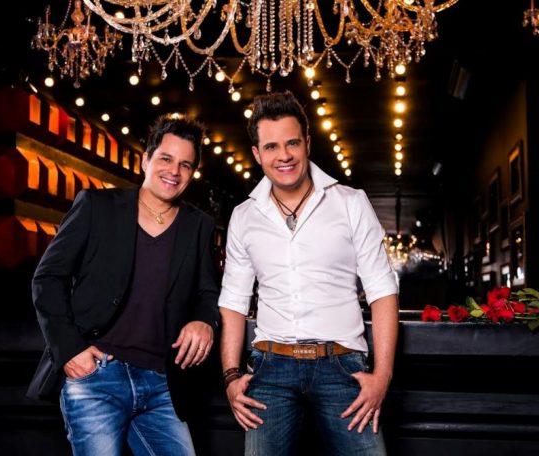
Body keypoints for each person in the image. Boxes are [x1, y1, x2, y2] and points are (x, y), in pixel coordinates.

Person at [27, 114, 220, 456]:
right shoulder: (97, 206)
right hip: (97, 376)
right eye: (166, 158)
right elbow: (47, 277)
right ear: (146, 160)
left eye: (185, 165)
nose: (174, 171)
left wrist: (205, 320)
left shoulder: (199, 225)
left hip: (162, 383)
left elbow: (207, 292)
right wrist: (69, 350)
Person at [218, 91, 399, 455]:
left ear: (307, 143)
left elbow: (382, 291)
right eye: (271, 147)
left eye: (292, 143)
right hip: (269, 369)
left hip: (343, 367)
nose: (283, 155)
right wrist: (231, 377)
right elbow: (234, 301)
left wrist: (382, 375)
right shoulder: (244, 216)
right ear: (257, 154)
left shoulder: (351, 202)